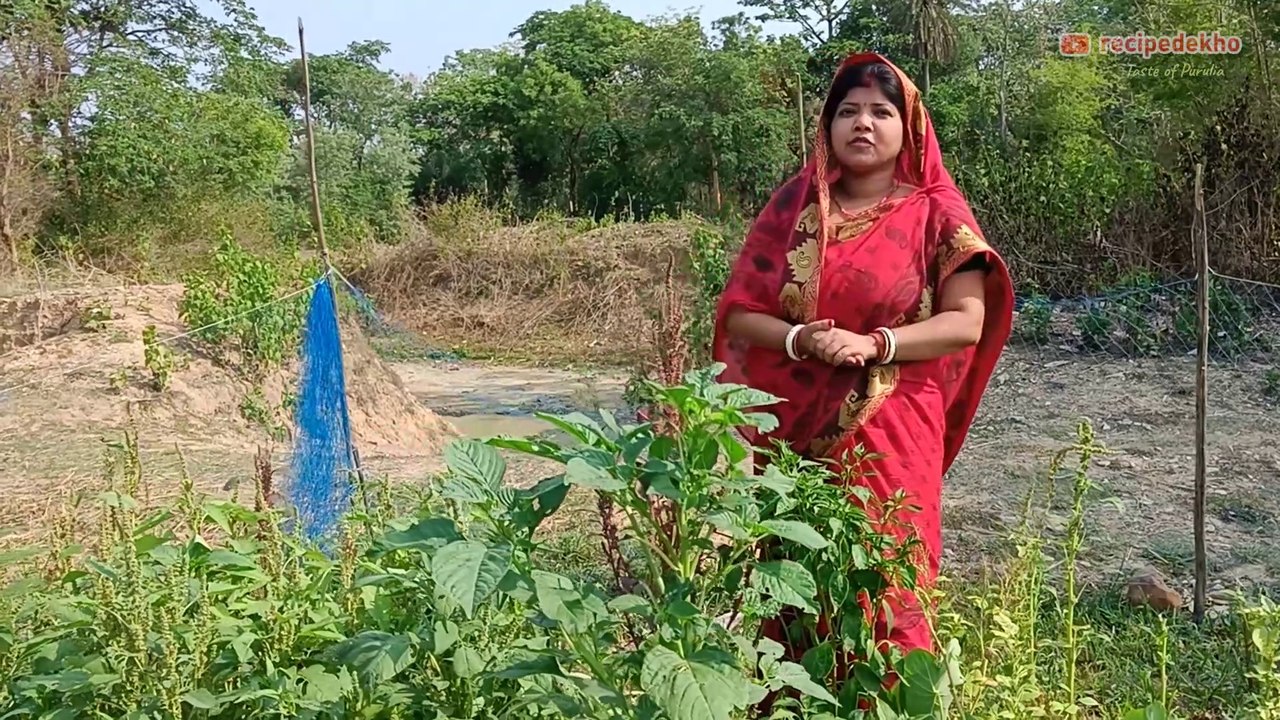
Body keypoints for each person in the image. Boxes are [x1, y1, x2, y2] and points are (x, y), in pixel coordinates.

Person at [712, 53, 1015, 663]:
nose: (863, 123)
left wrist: (875, 345)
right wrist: (803, 339)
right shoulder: (793, 209)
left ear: (910, 128)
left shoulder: (937, 212)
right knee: (793, 583)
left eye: (881, 111)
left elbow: (966, 322)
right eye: (847, 111)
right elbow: (740, 313)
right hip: (794, 434)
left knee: (888, 584)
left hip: (892, 427)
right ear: (826, 127)